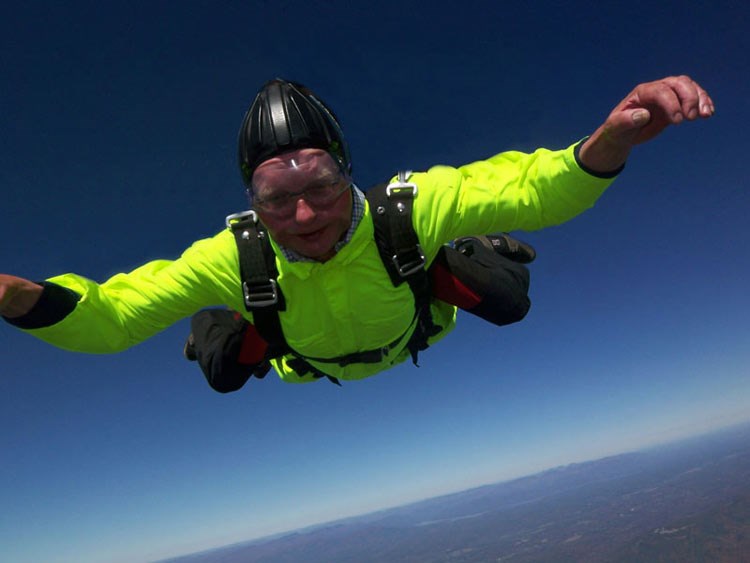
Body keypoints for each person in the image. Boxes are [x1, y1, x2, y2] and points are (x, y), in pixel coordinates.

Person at [1, 75, 715, 390]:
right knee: (222, 371)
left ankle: (464, 252)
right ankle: (221, 323)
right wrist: (16, 296)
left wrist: (609, 143)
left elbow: (535, 186)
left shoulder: (408, 207)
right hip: (300, 352)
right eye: (276, 198)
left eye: (321, 186)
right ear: (250, 200)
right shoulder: (233, 254)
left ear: (348, 172)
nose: (304, 214)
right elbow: (114, 317)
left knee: (509, 298)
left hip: (410, 319)